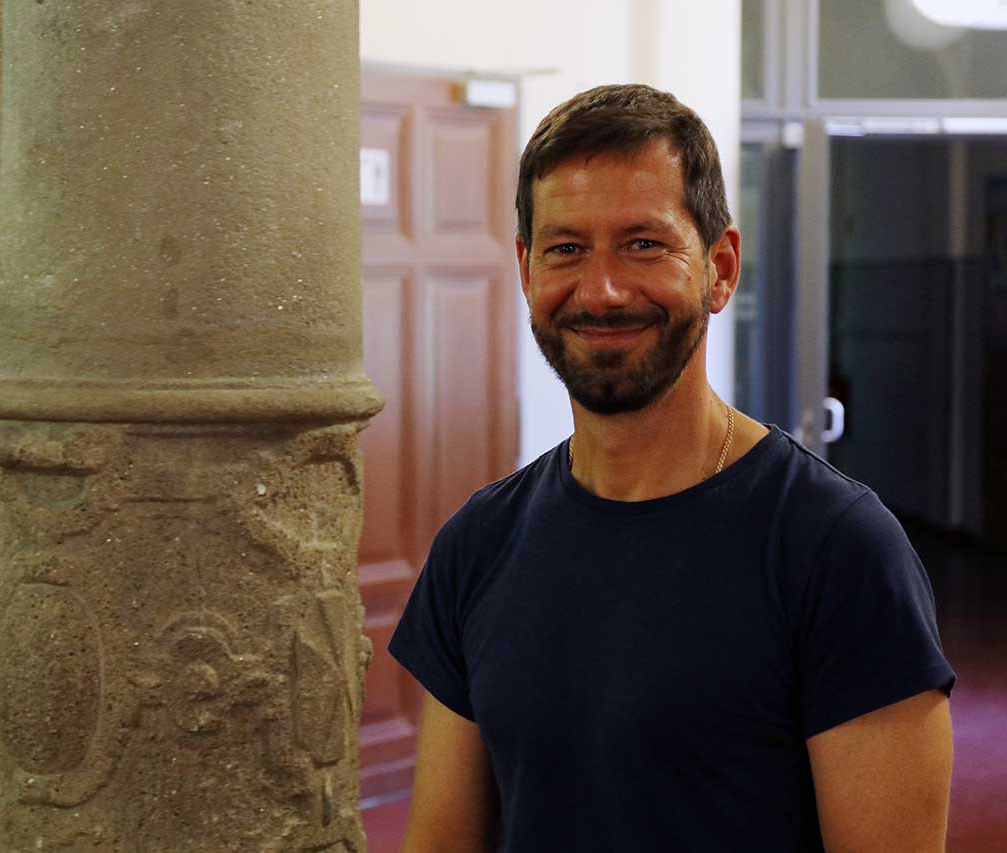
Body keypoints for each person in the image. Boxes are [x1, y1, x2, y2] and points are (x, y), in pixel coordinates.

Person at [388, 84, 955, 852]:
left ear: (720, 268)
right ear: (526, 270)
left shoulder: (838, 549)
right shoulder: (478, 543)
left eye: (644, 243)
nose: (603, 288)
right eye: (566, 249)